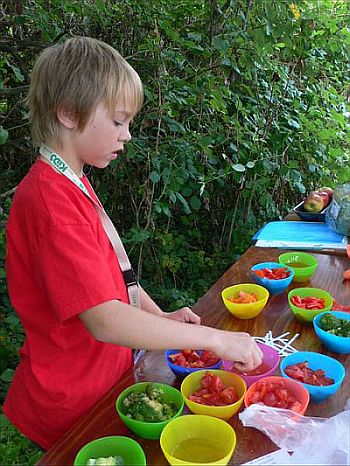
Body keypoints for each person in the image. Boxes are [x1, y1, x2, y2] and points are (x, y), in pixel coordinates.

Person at [3, 36, 262, 450]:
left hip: (105, 382)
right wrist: (214, 339)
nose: (126, 136)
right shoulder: (51, 202)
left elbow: (113, 278)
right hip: (72, 401)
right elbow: (103, 317)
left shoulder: (71, 182)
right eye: (119, 121)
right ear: (69, 113)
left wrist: (163, 320)